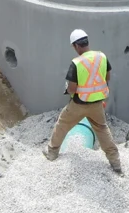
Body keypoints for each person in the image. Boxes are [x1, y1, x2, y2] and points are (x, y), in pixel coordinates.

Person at [43, 29, 123, 175]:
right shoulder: (101, 57)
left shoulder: (76, 63)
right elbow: (108, 77)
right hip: (97, 104)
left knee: (62, 124)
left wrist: (68, 89)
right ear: (87, 42)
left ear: (76, 46)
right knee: (102, 129)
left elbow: (73, 89)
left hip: (79, 104)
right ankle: (115, 162)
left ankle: (52, 153)